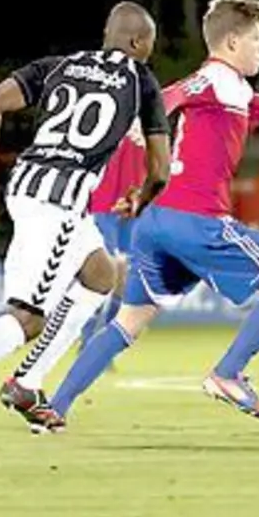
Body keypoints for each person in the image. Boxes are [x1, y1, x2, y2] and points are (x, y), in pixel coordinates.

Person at [43, 0, 259, 427]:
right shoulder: (213, 78)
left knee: (129, 321)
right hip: (196, 220)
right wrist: (140, 119)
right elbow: (173, 94)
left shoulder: (234, 88)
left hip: (157, 222)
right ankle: (228, 373)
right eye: (256, 39)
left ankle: (53, 408)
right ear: (232, 42)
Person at [0, 2, 171, 444]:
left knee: (100, 275)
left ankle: (26, 384)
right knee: (28, 318)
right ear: (138, 43)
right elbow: (161, 168)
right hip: (57, 202)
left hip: (30, 185)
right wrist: (141, 196)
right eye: (151, 43)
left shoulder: (59, 65)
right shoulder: (142, 81)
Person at [76, 126, 145, 354]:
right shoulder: (113, 107)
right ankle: (86, 340)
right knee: (105, 274)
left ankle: (103, 346)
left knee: (123, 278)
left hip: (132, 207)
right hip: (104, 205)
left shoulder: (153, 113)